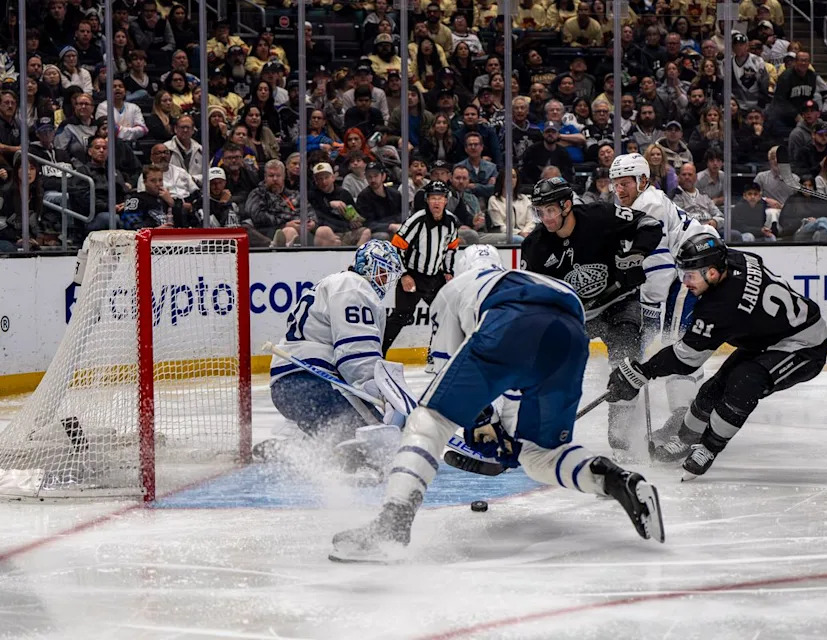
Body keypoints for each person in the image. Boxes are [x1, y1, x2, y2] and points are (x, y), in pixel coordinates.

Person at [330, 246, 664, 562]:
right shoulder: (528, 278)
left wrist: (480, 420)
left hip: (509, 322)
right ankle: (617, 480)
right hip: (571, 336)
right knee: (538, 454)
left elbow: (451, 372)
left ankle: (393, 523)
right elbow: (516, 382)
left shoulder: (455, 289)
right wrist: (504, 432)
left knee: (428, 421)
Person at [607, 233, 827, 478]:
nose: (685, 282)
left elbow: (687, 359)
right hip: (768, 338)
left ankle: (709, 448)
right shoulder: (735, 259)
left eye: (691, 275)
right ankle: (685, 440)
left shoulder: (720, 307)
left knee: (744, 382)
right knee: (712, 390)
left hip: (804, 345)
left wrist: (643, 372)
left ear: (712, 273)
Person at [520, 176, 662, 455]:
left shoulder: (600, 215)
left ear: (566, 205)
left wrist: (636, 253)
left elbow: (649, 224)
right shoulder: (535, 246)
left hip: (620, 301)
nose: (545, 217)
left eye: (550, 210)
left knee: (625, 364)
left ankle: (620, 432)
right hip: (578, 314)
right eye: (540, 211)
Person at [263, 240, 414, 476]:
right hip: (312, 383)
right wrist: (382, 396)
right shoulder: (354, 287)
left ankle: (295, 442)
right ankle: (351, 465)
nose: (386, 280)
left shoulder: (337, 284)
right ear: (368, 267)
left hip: (292, 386)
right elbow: (356, 355)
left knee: (345, 433)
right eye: (383, 272)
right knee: (376, 439)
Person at [609, 152, 720, 451]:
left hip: (694, 271)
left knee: (675, 344)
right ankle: (686, 416)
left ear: (642, 181)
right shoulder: (636, 206)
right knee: (678, 344)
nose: (619, 190)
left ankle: (684, 421)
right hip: (690, 270)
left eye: (625, 183)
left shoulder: (650, 206)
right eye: (615, 184)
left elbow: (658, 271)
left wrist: (648, 314)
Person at [381, 180, 460, 354]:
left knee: (444, 315)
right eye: (433, 198)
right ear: (427, 200)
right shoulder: (417, 221)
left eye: (440, 198)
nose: (437, 202)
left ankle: (435, 354)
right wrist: (403, 275)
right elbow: (396, 246)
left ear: (446, 200)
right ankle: (379, 351)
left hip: (435, 277)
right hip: (413, 275)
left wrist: (448, 271)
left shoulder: (451, 222)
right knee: (401, 316)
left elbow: (451, 249)